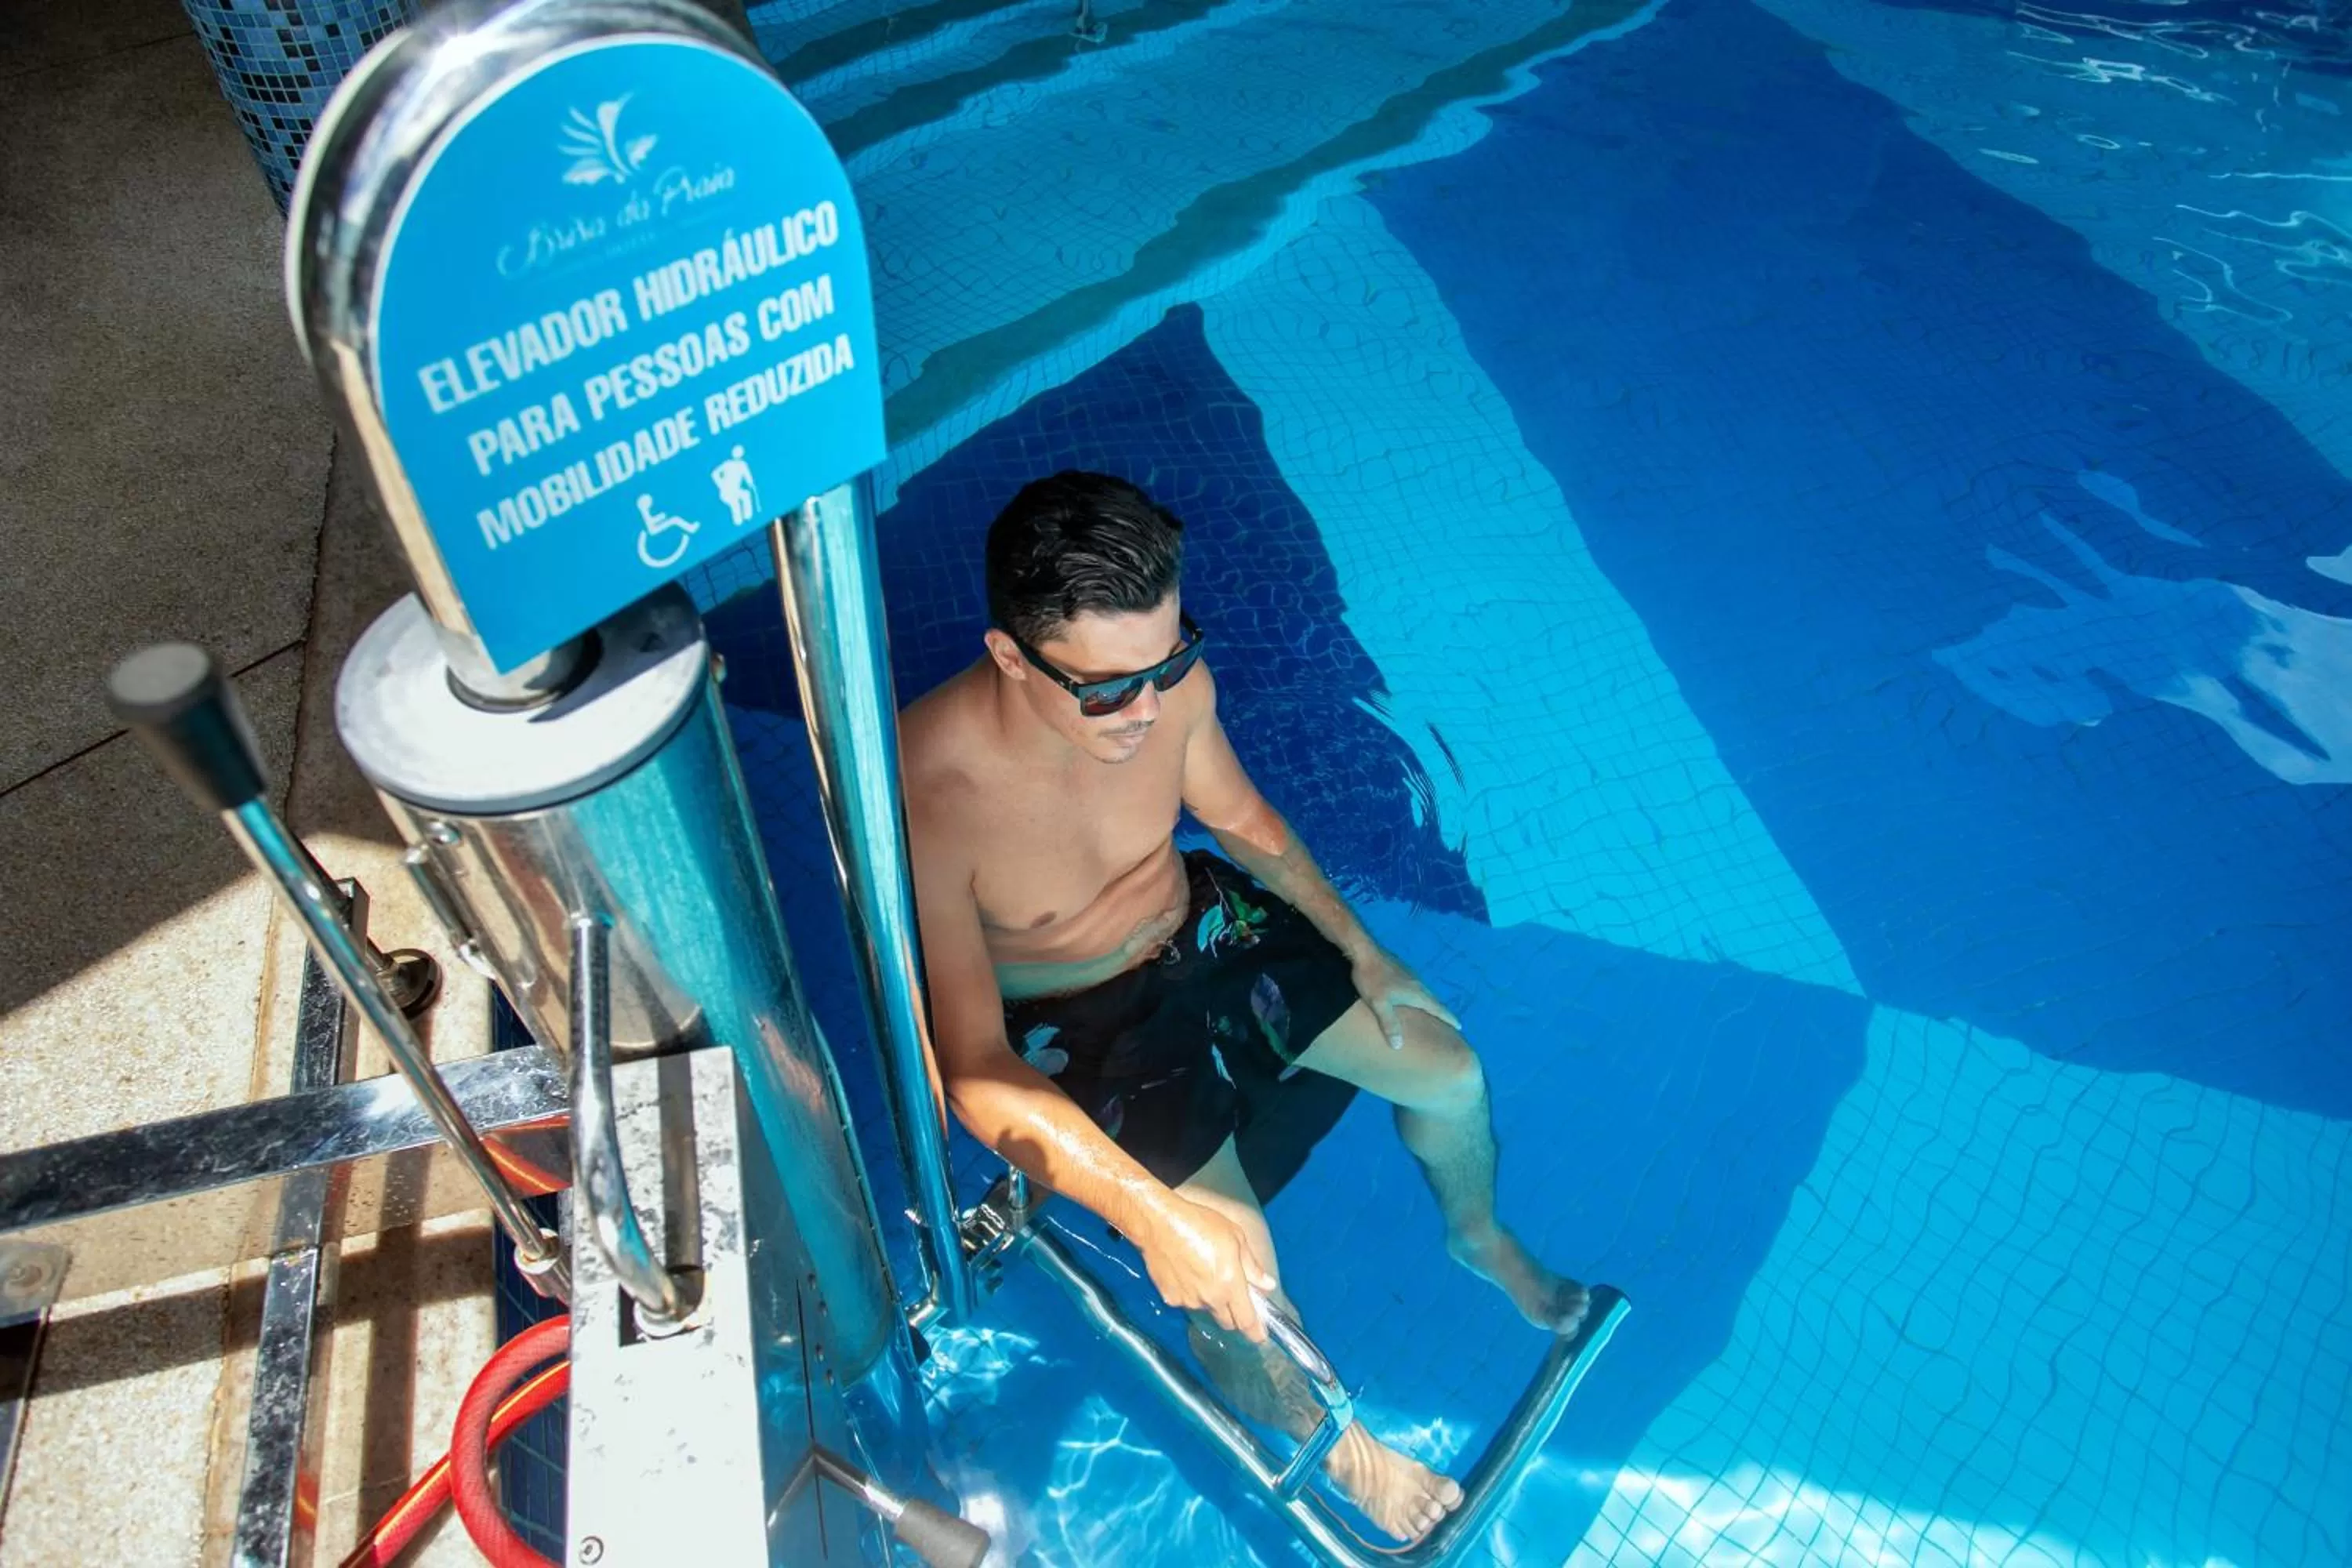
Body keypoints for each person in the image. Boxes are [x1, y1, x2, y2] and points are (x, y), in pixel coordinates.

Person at [901, 471, 1588, 1544]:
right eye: (1105, 689)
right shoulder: (931, 793)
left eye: (1165, 664)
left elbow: (1242, 818)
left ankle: (1475, 1231)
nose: (1144, 711)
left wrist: (1368, 953)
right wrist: (1153, 1219)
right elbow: (974, 1064)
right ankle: (1355, 1461)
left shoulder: (1171, 690)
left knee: (1451, 1073)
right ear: (1007, 656)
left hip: (1211, 933)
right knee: (1237, 1292)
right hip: (1088, 1026)